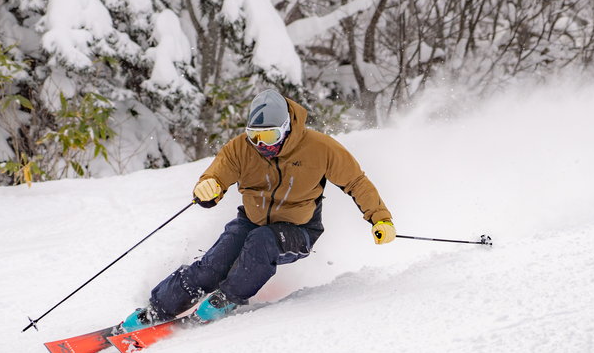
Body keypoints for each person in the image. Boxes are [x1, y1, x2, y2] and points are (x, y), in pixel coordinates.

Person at [118, 88, 394, 331]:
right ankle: (158, 308)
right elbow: (214, 178)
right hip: (251, 221)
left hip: (299, 230)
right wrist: (208, 189)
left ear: (287, 128)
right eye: (255, 136)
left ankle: (228, 298)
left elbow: (357, 182)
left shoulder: (320, 148)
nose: (262, 145)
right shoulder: (240, 149)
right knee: (212, 265)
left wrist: (380, 219)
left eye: (270, 135)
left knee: (263, 242)